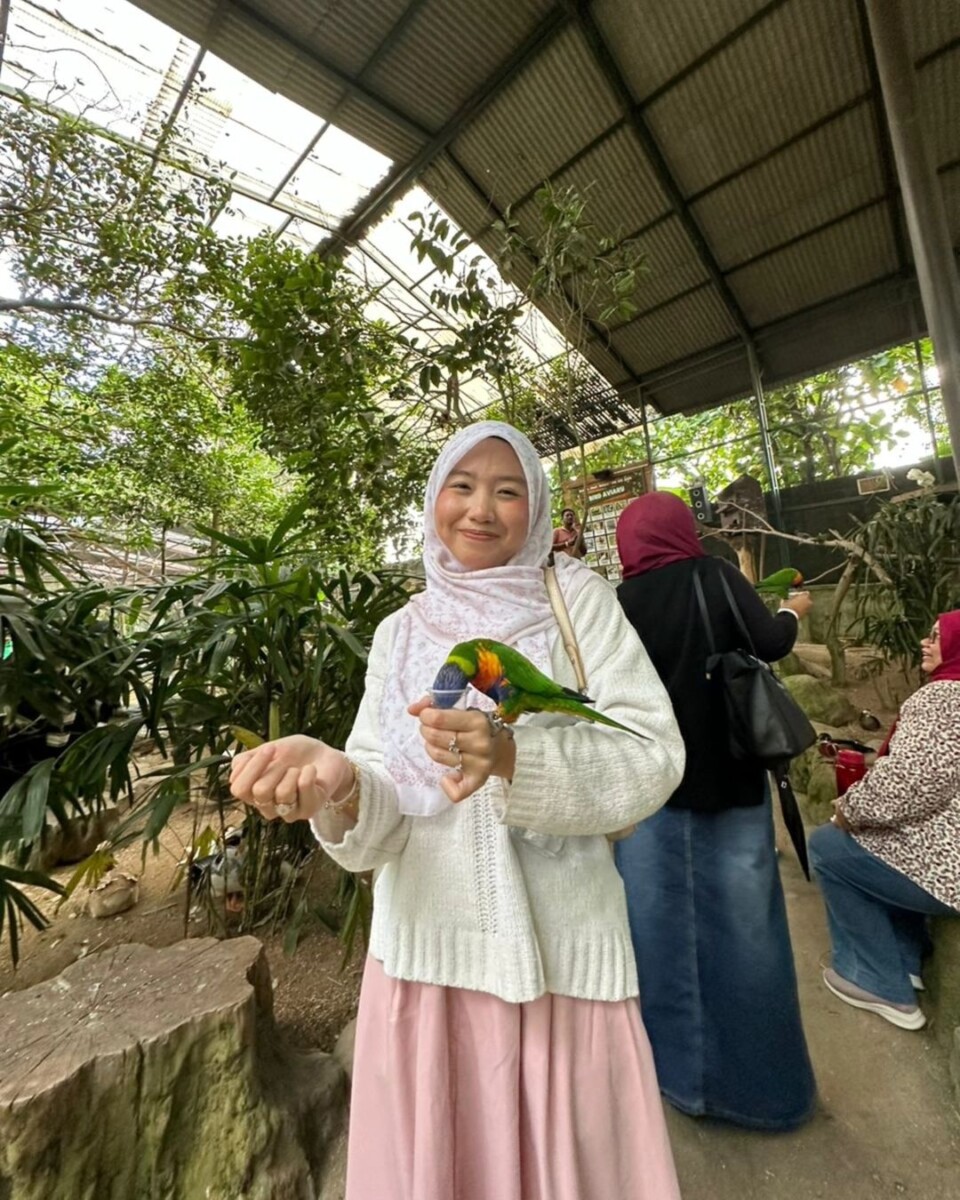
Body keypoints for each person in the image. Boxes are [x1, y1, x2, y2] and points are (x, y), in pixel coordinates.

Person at [229, 421, 686, 1200]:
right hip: (423, 969)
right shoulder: (398, 632)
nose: (482, 508)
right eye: (462, 485)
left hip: (560, 965)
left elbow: (653, 757)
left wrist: (512, 758)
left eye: (508, 490)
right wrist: (339, 781)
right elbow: (378, 823)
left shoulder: (576, 599)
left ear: (536, 508)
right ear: (435, 499)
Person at [613, 490, 817, 1131]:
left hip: (650, 796)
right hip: (729, 781)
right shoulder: (715, 574)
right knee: (746, 934)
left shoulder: (617, 605)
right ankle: (764, 1091)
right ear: (683, 531)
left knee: (657, 931)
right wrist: (791, 610)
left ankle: (673, 1078)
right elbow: (771, 643)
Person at [809, 610, 960, 1030]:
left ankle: (877, 981)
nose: (924, 643)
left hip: (951, 872)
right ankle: (905, 958)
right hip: (949, 849)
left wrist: (848, 810)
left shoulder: (945, 698)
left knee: (829, 847)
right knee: (889, 843)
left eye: (936, 636)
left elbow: (909, 786)